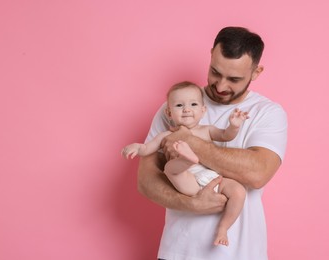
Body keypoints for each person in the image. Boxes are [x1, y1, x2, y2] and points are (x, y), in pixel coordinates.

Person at [137, 27, 288, 259]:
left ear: (256, 72)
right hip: (178, 252)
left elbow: (258, 173)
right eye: (215, 72)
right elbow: (146, 181)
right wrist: (192, 204)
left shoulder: (267, 113)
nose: (220, 86)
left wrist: (190, 142)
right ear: (210, 55)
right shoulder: (177, 106)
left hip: (241, 254)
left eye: (234, 79)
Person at [122, 81, 248, 246]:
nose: (186, 109)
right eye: (179, 105)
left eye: (193, 104)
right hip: (187, 178)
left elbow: (226, 135)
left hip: (211, 176)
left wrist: (234, 126)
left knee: (238, 192)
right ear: (168, 112)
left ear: (203, 111)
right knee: (170, 170)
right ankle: (187, 160)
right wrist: (136, 147)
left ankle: (223, 228)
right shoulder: (166, 135)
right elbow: (147, 149)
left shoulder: (206, 130)